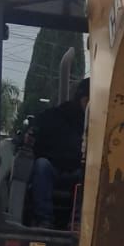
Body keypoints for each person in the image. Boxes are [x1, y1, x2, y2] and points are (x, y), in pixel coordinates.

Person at [29, 78, 89, 228]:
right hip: (53, 168)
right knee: (41, 165)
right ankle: (44, 219)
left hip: (79, 171)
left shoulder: (97, 125)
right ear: (80, 98)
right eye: (87, 101)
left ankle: (78, 222)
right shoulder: (55, 115)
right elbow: (35, 127)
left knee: (91, 173)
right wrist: (29, 134)